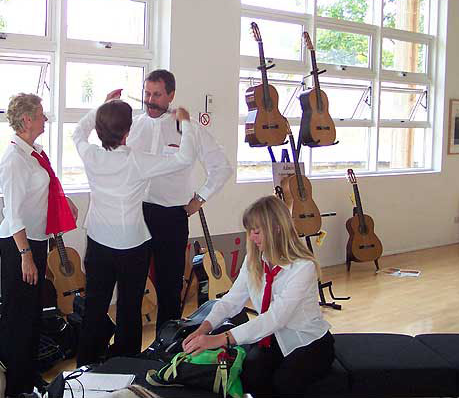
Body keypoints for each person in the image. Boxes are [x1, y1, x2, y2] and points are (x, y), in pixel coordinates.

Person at [73, 92, 197, 366]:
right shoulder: (138, 160)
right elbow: (185, 158)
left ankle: (84, 369)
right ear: (128, 131)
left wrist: (101, 108)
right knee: (130, 309)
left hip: (99, 243)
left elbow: (77, 132)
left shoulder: (91, 155)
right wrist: (186, 122)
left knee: (95, 307)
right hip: (132, 246)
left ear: (101, 129)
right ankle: (126, 367)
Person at [182, 195, 335, 397]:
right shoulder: (254, 260)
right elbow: (231, 300)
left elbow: (275, 319)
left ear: (277, 228)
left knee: (285, 382)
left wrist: (220, 339)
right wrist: (205, 328)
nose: (252, 238)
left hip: (308, 341)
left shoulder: (303, 267)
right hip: (272, 338)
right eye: (250, 232)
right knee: (251, 374)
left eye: (256, 232)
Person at [124, 69, 232, 330]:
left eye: (157, 94)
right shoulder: (134, 125)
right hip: (134, 213)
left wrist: (200, 198)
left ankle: (165, 347)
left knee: (169, 287)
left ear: (171, 95)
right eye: (147, 93)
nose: (150, 99)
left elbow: (222, 168)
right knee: (131, 285)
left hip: (171, 217)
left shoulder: (189, 130)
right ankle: (126, 353)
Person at [0, 93, 78, 397]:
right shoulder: (14, 159)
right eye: (42, 114)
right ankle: (16, 386)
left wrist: (64, 202)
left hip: (36, 240)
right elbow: (13, 213)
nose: (46, 119)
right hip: (19, 245)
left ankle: (29, 377)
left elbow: (40, 190)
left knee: (32, 315)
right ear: (28, 119)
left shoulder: (34, 152)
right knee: (18, 317)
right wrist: (25, 256)